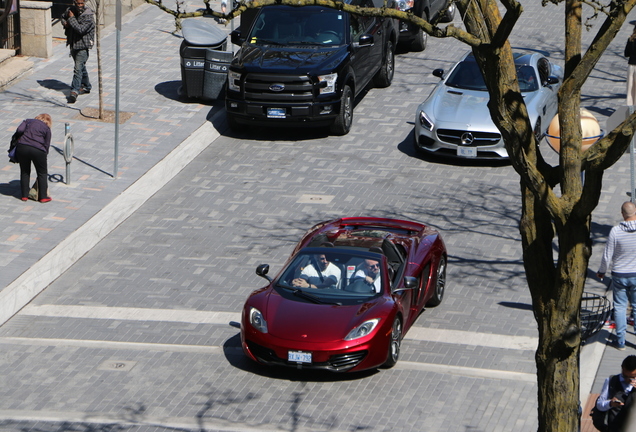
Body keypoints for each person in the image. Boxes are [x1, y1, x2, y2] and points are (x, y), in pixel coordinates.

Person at [597, 201, 636, 350]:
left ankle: (620, 342)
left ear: (622, 214)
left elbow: (607, 256)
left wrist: (602, 271)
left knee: (619, 306)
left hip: (619, 274)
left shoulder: (616, 231)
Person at [61, 0, 95, 104]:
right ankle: (86, 86)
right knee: (80, 66)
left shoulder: (88, 16)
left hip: (83, 46)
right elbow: (62, 17)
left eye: (81, 3)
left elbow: (81, 29)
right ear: (74, 3)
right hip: (73, 44)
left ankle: (74, 91)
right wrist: (65, 23)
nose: (80, 6)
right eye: (78, 3)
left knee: (77, 68)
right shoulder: (70, 10)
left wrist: (71, 19)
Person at [14, 114, 53, 203]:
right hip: (38, 150)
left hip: (22, 147)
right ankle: (43, 197)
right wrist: (44, 154)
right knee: (42, 173)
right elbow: (47, 144)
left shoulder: (28, 121)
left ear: (38, 117)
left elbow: (19, 130)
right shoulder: (47, 129)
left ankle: (24, 196)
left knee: (24, 171)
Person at [595, 355, 636, 431]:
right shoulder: (611, 381)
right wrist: (610, 403)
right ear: (622, 368)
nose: (629, 380)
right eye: (626, 376)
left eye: (633, 377)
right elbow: (599, 405)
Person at [625, 25, 636, 106]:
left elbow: (626, 53)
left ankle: (630, 110)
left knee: (630, 89)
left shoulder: (630, 39)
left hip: (631, 66)